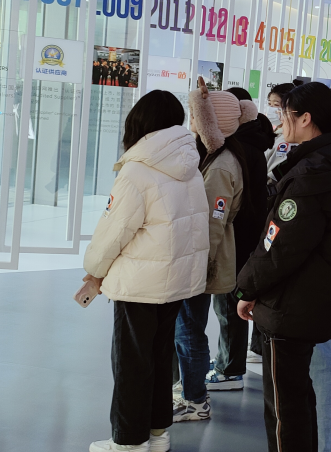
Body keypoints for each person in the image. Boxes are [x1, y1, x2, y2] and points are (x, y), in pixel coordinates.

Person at [235, 82, 331, 452]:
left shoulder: (311, 175)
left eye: (284, 114)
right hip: (320, 298)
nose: (280, 122)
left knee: (285, 409)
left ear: (306, 118)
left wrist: (246, 288)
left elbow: (280, 247)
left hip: (290, 306)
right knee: (300, 399)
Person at [82, 90, 211, 452]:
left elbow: (113, 231)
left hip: (140, 283)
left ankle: (129, 442)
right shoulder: (190, 166)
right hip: (176, 281)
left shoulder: (137, 171)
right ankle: (156, 434)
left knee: (131, 363)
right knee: (158, 357)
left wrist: (94, 269)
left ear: (139, 122)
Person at [170, 79, 258, 422]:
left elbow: (210, 223)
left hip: (201, 259)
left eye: (197, 115)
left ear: (211, 121)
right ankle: (190, 391)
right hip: (200, 257)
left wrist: (198, 265)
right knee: (187, 327)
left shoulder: (221, 165)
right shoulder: (218, 157)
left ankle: (194, 399)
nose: (191, 121)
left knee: (188, 329)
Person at [224, 86, 276, 366]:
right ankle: (235, 360)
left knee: (229, 304)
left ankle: (230, 366)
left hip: (237, 234)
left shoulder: (239, 147)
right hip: (251, 230)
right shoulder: (253, 142)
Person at [265, 82, 299, 177]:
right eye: (269, 104)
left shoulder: (289, 139)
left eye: (276, 105)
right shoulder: (275, 132)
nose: (271, 109)